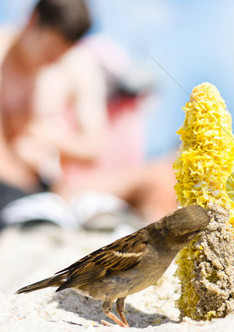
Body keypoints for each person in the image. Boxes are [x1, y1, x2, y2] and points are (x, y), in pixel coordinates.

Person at [0, 0, 176, 228]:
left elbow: (92, 146)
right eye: (49, 49)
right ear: (33, 20)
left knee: (160, 178)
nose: (53, 60)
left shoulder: (77, 64)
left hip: (51, 186)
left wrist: (49, 140)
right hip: (10, 185)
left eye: (61, 53)